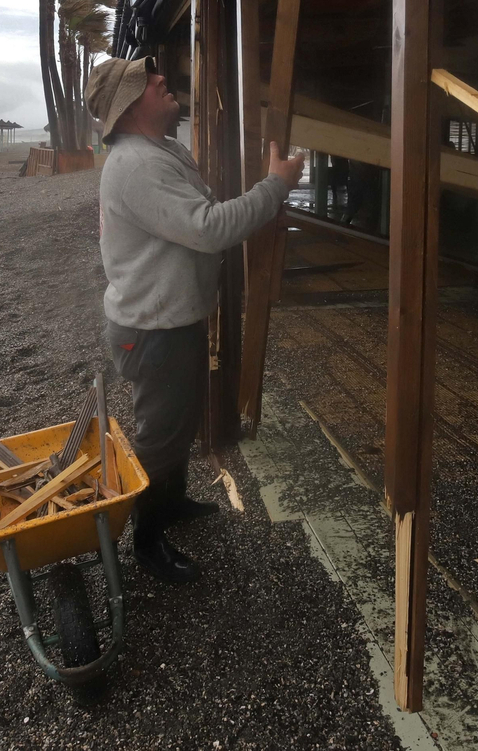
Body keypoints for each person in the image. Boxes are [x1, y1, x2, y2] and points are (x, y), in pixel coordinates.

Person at [85, 55, 304, 583]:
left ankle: (172, 503)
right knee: (160, 434)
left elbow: (199, 219)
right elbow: (207, 227)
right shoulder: (138, 165)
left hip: (167, 319)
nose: (162, 79)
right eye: (146, 80)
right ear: (130, 106)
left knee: (178, 423)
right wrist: (275, 186)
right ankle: (147, 538)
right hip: (151, 329)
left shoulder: (163, 151)